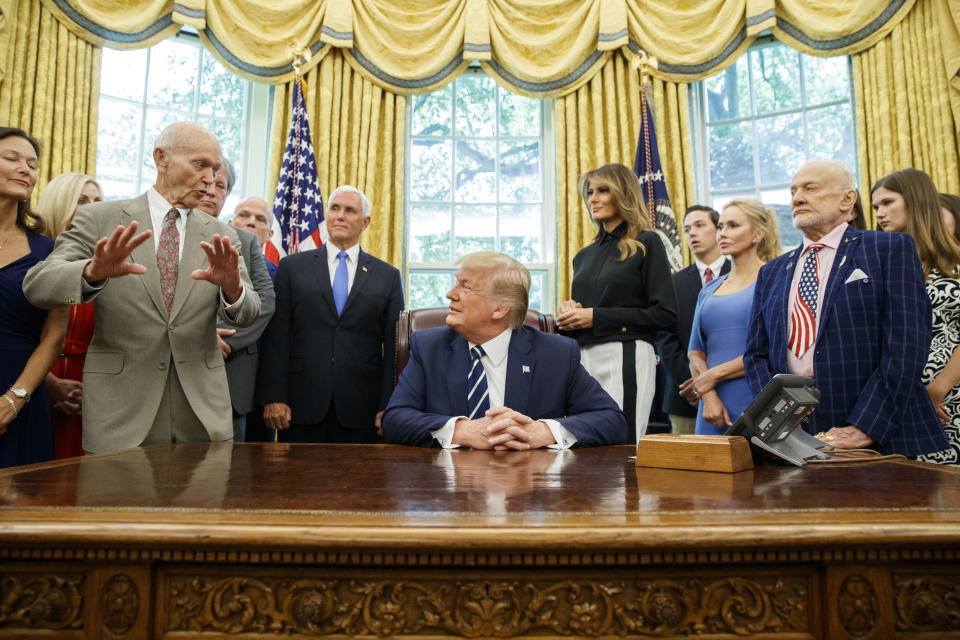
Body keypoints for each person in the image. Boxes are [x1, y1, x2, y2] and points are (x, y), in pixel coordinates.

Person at [23, 122, 261, 454]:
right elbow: (39, 286)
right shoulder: (98, 219)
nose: (210, 178)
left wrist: (234, 290)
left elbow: (249, 314)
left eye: (215, 168)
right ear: (161, 158)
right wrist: (91, 273)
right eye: (200, 164)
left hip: (203, 417)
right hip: (119, 415)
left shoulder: (223, 234)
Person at [744, 160, 947, 457]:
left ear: (847, 199)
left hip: (876, 431)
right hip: (793, 435)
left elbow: (906, 343)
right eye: (793, 191)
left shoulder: (888, 249)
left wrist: (866, 426)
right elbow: (756, 354)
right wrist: (779, 418)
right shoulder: (772, 272)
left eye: (810, 188)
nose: (797, 198)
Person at [383, 251, 628, 449]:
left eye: (465, 286)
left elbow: (612, 421)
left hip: (529, 490)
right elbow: (395, 420)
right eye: (456, 282)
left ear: (500, 308)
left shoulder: (557, 354)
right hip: (447, 490)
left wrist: (543, 432)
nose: (450, 293)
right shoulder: (428, 347)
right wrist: (462, 430)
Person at [257, 185, 404, 443]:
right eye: (334, 209)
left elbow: (393, 347)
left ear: (365, 222)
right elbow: (277, 335)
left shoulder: (388, 277)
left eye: (349, 210)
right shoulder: (292, 268)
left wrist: (389, 405)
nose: (340, 216)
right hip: (300, 406)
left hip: (363, 409)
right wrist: (274, 396)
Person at [557, 163, 677, 442]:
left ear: (623, 193)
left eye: (602, 191)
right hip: (583, 356)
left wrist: (596, 317)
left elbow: (666, 314)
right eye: (589, 192)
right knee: (585, 439)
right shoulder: (583, 256)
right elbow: (589, 309)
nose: (593, 199)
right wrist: (570, 313)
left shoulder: (648, 242)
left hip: (627, 354)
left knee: (622, 442)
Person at [872, 168, 960, 465]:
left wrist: (939, 387)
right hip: (896, 398)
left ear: (915, 200)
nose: (880, 213)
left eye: (887, 203)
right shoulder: (882, 266)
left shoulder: (956, 262)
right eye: (875, 207)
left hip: (949, 398)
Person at [0, 127, 68, 468]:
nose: (26, 169)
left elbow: (54, 335)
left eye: (33, 163)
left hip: (22, 392)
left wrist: (14, 400)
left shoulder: (47, 250)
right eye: (12, 159)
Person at [197, 158, 275, 442]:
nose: (211, 191)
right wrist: (201, 337)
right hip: (170, 376)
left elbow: (265, 301)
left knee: (227, 478)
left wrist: (224, 341)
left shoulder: (245, 240)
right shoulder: (165, 234)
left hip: (229, 378)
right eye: (206, 183)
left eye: (221, 186)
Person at [688, 199, 781, 434]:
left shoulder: (775, 281)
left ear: (758, 234)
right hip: (710, 409)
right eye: (720, 226)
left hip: (756, 397)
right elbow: (696, 351)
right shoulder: (708, 289)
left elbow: (773, 348)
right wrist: (708, 396)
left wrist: (714, 375)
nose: (723, 233)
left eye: (733, 225)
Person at [34, 172, 103, 458]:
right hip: (33, 381)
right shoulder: (33, 256)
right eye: (81, 200)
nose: (92, 207)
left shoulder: (104, 265)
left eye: (98, 201)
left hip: (91, 388)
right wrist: (49, 383)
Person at [657, 205, 730, 435]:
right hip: (684, 395)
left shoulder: (740, 273)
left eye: (700, 225)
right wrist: (694, 383)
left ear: (719, 230)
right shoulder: (672, 283)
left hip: (732, 388)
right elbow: (665, 337)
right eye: (687, 229)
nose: (692, 234)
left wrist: (713, 380)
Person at [229, 196, 276, 280]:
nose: (251, 222)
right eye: (243, 215)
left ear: (269, 234)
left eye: (260, 219)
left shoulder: (280, 275)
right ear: (230, 225)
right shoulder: (206, 263)